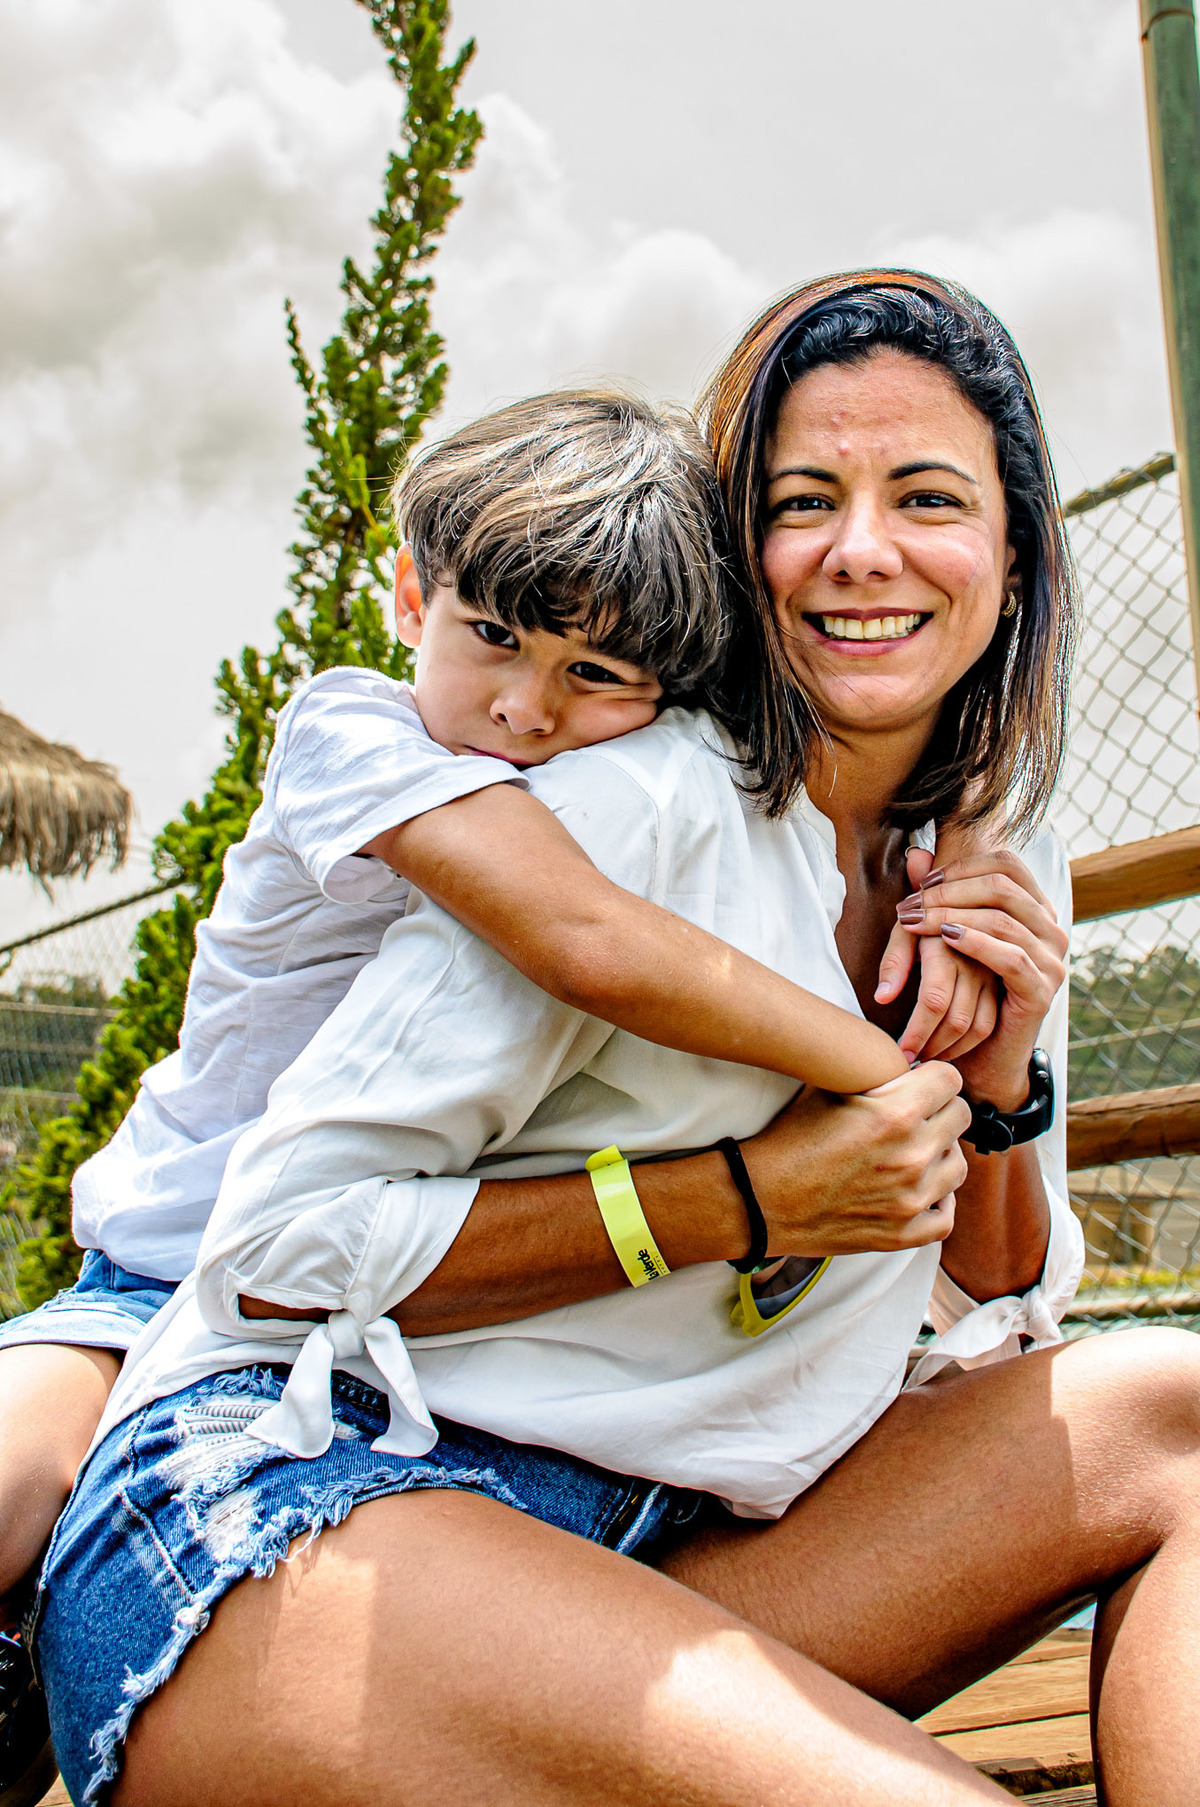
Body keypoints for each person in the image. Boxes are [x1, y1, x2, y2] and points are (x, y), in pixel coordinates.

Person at [42, 271, 1190, 1807]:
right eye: (803, 502)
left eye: (926, 496)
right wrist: (745, 1202)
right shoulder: (618, 811)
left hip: (665, 1536)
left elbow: (992, 1283)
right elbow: (278, 1245)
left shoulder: (997, 857)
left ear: (1014, 554)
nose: (865, 552)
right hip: (307, 1501)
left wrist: (994, 1077)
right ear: (738, 554)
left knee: (1170, 1414)